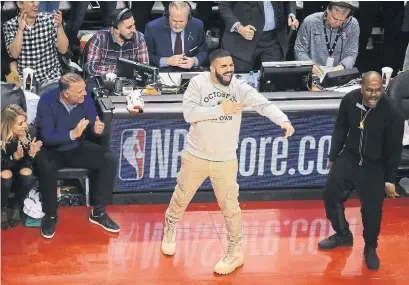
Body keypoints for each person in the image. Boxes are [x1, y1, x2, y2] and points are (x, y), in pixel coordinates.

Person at [160, 49, 295, 275]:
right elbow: (189, 114)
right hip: (196, 155)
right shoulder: (197, 83)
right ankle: (170, 228)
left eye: (231, 65)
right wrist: (221, 109)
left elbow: (262, 104)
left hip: (225, 159)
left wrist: (283, 120)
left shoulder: (238, 86)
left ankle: (235, 252)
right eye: (224, 66)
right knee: (181, 196)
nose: (229, 70)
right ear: (212, 68)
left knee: (231, 208)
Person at [319, 71, 404, 271]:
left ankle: (370, 248)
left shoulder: (392, 113)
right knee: (330, 194)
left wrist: (390, 179)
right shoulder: (350, 100)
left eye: (378, 90)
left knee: (372, 212)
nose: (374, 95)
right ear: (362, 88)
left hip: (374, 165)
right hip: (349, 157)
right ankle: (343, 235)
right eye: (369, 90)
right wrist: (333, 156)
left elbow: (394, 150)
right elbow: (340, 128)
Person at [34, 73, 119, 239]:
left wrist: (96, 128)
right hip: (51, 150)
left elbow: (93, 119)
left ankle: (99, 212)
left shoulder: (84, 99)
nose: (85, 94)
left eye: (84, 90)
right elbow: (47, 136)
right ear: (66, 94)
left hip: (77, 146)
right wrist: (73, 133)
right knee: (47, 167)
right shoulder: (46, 101)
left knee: (109, 159)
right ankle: (50, 215)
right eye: (80, 91)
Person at [219, 1, 299, 73]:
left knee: (274, 80)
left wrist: (291, 15)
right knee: (240, 80)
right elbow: (224, 5)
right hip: (243, 38)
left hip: (274, 39)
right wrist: (239, 28)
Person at [3, 1, 69, 85]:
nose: (37, 3)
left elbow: (63, 50)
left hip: (51, 78)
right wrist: (20, 30)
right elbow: (14, 54)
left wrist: (59, 27)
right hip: (25, 80)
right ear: (19, 4)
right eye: (31, 1)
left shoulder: (49, 19)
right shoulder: (9, 25)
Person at [1, 104, 42, 230]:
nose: (24, 126)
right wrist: (14, 157)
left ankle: (17, 207)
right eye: (20, 123)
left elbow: (28, 164)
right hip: (4, 169)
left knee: (27, 173)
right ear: (8, 125)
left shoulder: (29, 132)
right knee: (6, 174)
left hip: (20, 169)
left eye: (25, 121)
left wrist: (30, 155)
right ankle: (2, 208)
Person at [294, 1, 359, 76]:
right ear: (328, 9)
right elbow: (300, 50)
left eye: (341, 20)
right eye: (334, 18)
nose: (337, 23)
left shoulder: (353, 24)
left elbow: (351, 53)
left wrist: (342, 67)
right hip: (312, 73)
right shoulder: (310, 22)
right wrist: (309, 65)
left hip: (338, 74)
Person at [85, 8, 149, 78]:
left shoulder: (139, 38)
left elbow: (144, 67)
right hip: (103, 79)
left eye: (134, 24)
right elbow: (91, 68)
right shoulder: (100, 38)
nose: (134, 30)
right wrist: (120, 70)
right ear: (116, 29)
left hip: (129, 81)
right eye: (129, 27)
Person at [144, 1, 207, 70]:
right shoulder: (152, 28)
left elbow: (203, 51)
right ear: (168, 15)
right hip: (163, 73)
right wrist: (166, 61)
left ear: (188, 17)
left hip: (190, 71)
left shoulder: (198, 25)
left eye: (181, 21)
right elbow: (146, 56)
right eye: (174, 21)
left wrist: (194, 60)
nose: (177, 25)